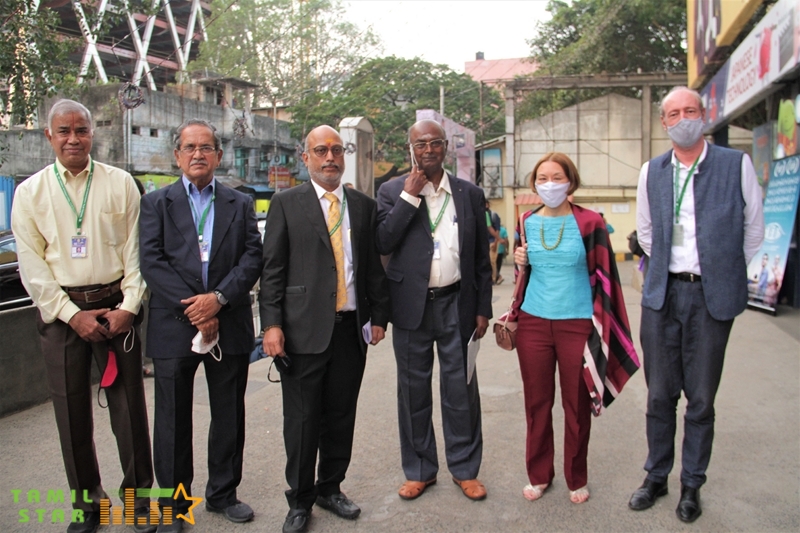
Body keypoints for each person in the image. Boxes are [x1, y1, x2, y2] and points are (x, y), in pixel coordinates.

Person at [11, 99, 155, 533]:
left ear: (93, 133)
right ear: (48, 136)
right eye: (64, 131)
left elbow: (136, 253)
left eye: (82, 130)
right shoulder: (30, 193)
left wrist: (130, 306)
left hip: (118, 311)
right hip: (62, 318)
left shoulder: (121, 184)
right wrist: (72, 316)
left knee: (130, 411)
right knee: (71, 413)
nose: (74, 138)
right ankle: (88, 505)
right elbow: (31, 267)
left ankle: (139, 502)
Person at [629, 87, 764, 523]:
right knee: (659, 395)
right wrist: (671, 265)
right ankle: (656, 476)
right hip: (662, 294)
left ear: (703, 116)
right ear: (664, 123)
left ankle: (692, 485)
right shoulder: (652, 171)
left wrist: (721, 268)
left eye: (690, 110)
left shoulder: (735, 165)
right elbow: (646, 233)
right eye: (673, 113)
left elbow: (753, 229)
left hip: (710, 297)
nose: (682, 118)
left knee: (701, 399)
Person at [260, 125, 390, 533]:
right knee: (301, 420)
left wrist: (380, 318)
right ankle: (299, 500)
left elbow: (370, 267)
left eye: (336, 150)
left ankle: (330, 487)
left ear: (344, 155)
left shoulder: (363, 206)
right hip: (300, 332)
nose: (329, 157)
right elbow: (273, 271)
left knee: (340, 415)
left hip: (350, 330)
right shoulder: (286, 203)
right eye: (321, 150)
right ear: (306, 158)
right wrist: (272, 325)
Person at [139, 119, 262, 533]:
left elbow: (251, 258)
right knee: (172, 417)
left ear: (218, 155)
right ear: (177, 155)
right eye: (189, 147)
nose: (197, 154)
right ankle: (175, 505)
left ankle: (223, 493)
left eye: (206, 147)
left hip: (229, 320)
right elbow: (151, 261)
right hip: (174, 324)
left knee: (228, 411)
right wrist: (197, 309)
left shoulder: (239, 202)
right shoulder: (156, 203)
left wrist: (218, 300)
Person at [512, 153, 639, 505]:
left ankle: (576, 476)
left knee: (577, 405)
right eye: (542, 178)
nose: (549, 184)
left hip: (578, 324)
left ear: (571, 182)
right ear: (534, 183)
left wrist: (604, 327)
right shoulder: (525, 221)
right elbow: (521, 274)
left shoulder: (590, 222)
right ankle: (539, 475)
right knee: (537, 403)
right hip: (533, 323)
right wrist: (520, 261)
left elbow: (606, 279)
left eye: (556, 177)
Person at [376, 119, 493, 502]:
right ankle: (420, 470)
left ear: (447, 147)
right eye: (420, 143)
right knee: (412, 392)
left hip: (457, 303)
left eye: (435, 142)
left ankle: (464, 469)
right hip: (411, 306)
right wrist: (410, 197)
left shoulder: (468, 193)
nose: (428, 149)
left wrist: (482, 308)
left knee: (461, 389)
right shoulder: (392, 191)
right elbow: (383, 240)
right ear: (410, 148)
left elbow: (480, 259)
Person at [485, 199, 502, 283]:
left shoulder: (493, 215)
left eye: (486, 204)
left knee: (492, 261)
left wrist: (496, 241)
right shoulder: (482, 213)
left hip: (492, 241)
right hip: (485, 241)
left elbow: (496, 229)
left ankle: (493, 278)